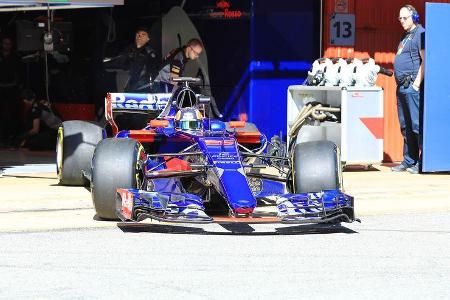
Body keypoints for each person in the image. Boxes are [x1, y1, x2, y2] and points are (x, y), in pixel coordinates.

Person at [392, 4, 425, 174]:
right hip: (401, 87)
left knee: (416, 126)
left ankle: (422, 162)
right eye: (400, 18)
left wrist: (416, 84)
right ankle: (409, 160)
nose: (402, 21)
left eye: (405, 18)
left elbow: (424, 60)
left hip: (411, 87)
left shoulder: (420, 33)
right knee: (405, 126)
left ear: (414, 17)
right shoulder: (405, 36)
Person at [106, 27, 159, 92]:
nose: (139, 36)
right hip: (126, 82)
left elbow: (152, 71)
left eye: (143, 34)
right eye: (138, 34)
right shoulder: (129, 49)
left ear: (148, 39)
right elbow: (119, 61)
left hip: (142, 86)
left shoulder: (150, 52)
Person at [0, 37, 22, 147]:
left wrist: (16, 84)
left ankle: (11, 137)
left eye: (9, 43)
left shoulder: (16, 57)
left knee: (12, 113)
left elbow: (18, 73)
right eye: (5, 43)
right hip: (1, 88)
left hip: (12, 88)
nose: (7, 46)